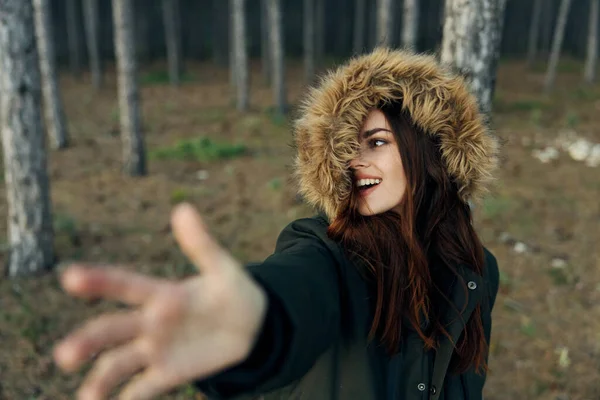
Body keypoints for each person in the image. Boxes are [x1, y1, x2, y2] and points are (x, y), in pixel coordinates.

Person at [53, 47, 501, 400]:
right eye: (348, 147)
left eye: (376, 142)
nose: (354, 162)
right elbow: (297, 291)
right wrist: (255, 323)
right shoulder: (327, 251)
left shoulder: (476, 268)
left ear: (429, 148)